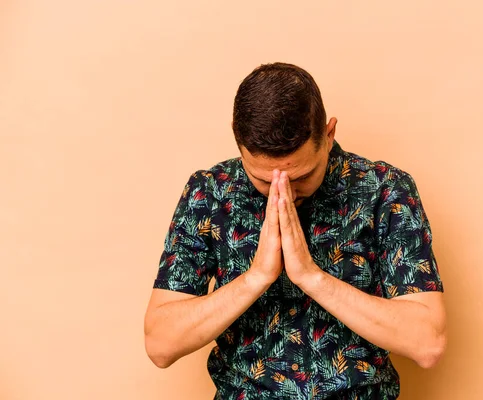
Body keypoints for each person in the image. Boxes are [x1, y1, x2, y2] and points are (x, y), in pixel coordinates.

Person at [144, 62, 446, 399]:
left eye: (301, 176)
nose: (283, 190)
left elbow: (427, 343)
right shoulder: (210, 192)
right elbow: (160, 344)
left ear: (328, 135)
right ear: (239, 143)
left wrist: (312, 277)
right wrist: (256, 277)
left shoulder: (385, 189)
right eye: (262, 178)